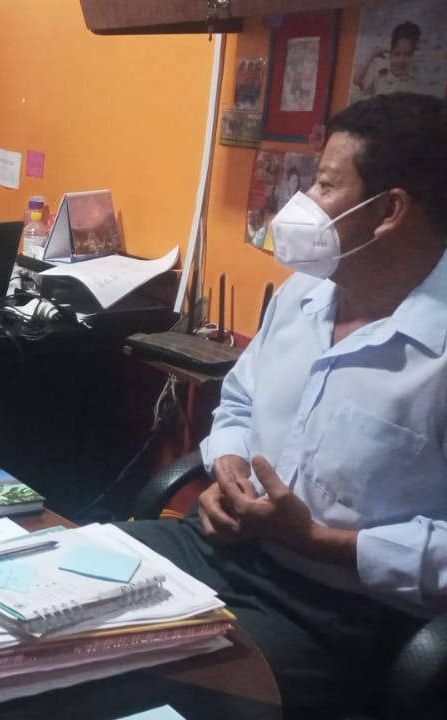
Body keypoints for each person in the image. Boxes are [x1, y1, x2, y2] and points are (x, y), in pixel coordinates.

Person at [122, 92, 447, 718]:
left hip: (337, 615)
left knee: (133, 688)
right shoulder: (303, 296)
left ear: (390, 210)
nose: (303, 203)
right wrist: (226, 470)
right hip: (219, 548)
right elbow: (240, 401)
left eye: (325, 184)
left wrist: (318, 540)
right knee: (52, 597)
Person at [353, 21, 421, 98]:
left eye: (407, 55)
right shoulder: (380, 77)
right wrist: (372, 54)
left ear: (412, 55)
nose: (401, 60)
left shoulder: (413, 84)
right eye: (397, 54)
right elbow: (357, 80)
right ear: (390, 55)